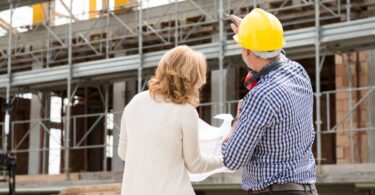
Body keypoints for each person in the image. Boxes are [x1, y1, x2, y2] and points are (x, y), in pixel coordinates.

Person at [221, 8, 318, 195]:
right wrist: (255, 33)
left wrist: (236, 123)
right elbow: (276, 53)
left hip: (275, 191)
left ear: (247, 50)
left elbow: (232, 160)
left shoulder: (261, 96)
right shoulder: (298, 71)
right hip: (307, 189)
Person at [118, 45, 224, 195]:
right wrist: (224, 159)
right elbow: (195, 165)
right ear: (194, 79)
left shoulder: (135, 102)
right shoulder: (186, 112)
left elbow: (123, 153)